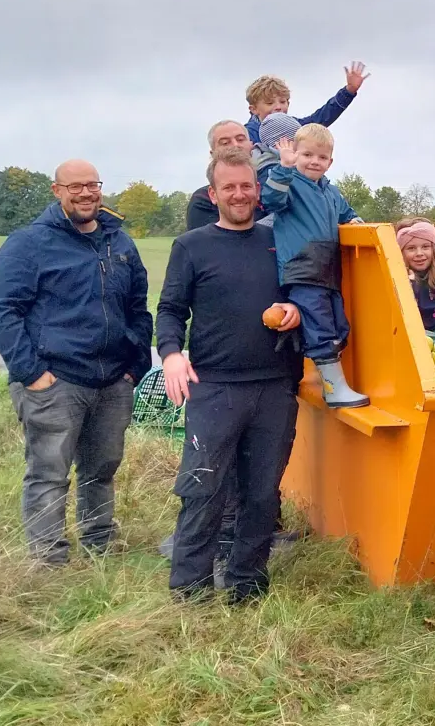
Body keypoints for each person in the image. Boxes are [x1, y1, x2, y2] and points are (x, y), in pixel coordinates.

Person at [0, 160, 153, 566]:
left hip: (114, 380)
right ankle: (48, 561)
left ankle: (99, 546)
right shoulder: (28, 244)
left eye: (92, 185)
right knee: (48, 473)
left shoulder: (120, 242)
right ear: (56, 190)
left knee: (103, 469)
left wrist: (136, 366)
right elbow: (3, 313)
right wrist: (32, 374)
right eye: (75, 186)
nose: (85, 194)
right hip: (55, 380)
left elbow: (138, 309)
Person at [156, 148, 304, 602]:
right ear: (213, 193)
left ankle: (247, 582)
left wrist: (297, 308)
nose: (239, 194)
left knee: (261, 493)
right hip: (214, 387)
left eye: (246, 186)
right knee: (203, 487)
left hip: (275, 385)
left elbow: (308, 292)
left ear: (258, 191)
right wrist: (171, 355)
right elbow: (169, 310)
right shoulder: (192, 246)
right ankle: (191, 587)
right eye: (229, 187)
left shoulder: (280, 240)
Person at [259, 125, 369, 408]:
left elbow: (347, 213)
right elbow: (270, 200)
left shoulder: (331, 192)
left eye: (321, 157)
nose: (313, 161)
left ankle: (328, 378)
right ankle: (334, 389)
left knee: (338, 325)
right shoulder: (290, 183)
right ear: (294, 154)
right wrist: (283, 169)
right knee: (320, 327)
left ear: (329, 162)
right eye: (306, 154)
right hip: (302, 270)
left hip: (328, 270)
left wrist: (356, 221)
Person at [242, 62, 368, 145]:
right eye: (269, 103)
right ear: (254, 109)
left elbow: (321, 117)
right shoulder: (246, 135)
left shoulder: (297, 127)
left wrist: (349, 91)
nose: (278, 107)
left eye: (283, 102)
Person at [186, 120, 253, 232]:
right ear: (213, 153)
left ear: (251, 145)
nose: (236, 145)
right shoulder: (202, 200)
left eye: (240, 139)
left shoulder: (273, 188)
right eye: (225, 143)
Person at [395, 218, 435, 341]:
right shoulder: (397, 275)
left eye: (425, 247)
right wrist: (408, 285)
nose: (419, 253)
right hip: (422, 335)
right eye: (411, 248)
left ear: (434, 248)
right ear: (400, 252)